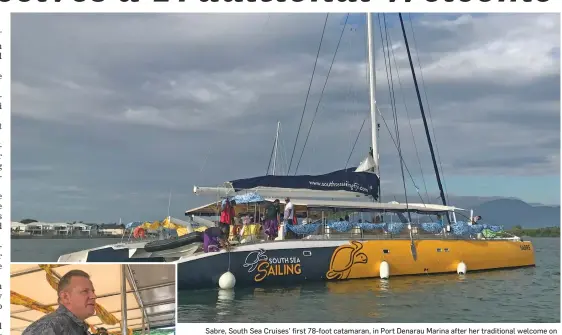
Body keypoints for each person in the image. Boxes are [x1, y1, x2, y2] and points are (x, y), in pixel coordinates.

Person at [23, 269, 97, 335]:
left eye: (93, 291)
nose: (93, 296)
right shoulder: (47, 327)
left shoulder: (78, 327)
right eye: (85, 291)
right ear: (65, 297)